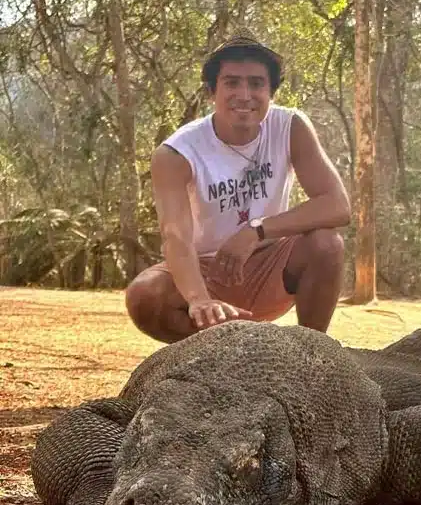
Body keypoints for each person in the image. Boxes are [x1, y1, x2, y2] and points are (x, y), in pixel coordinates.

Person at [125, 33, 351, 343]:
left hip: (271, 265)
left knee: (327, 244)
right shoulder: (177, 153)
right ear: (211, 92)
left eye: (256, 84)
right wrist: (199, 299)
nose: (244, 95)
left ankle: (310, 350)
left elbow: (337, 205)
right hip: (207, 271)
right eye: (231, 83)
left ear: (271, 93)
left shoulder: (290, 127)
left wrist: (256, 231)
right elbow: (175, 236)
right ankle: (220, 350)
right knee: (144, 295)